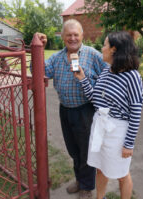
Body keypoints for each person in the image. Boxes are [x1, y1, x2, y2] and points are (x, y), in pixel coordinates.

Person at [36, 19, 108, 199]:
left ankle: (86, 187)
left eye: (76, 34)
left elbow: (109, 73)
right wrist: (39, 50)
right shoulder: (57, 57)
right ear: (62, 37)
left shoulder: (92, 55)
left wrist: (98, 89)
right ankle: (80, 180)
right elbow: (39, 71)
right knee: (73, 150)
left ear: (82, 36)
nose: (73, 38)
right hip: (65, 110)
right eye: (69, 35)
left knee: (86, 151)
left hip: (86, 110)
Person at [73, 31, 143, 199]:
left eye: (104, 44)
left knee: (121, 173)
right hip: (100, 127)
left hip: (118, 132)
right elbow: (96, 100)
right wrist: (83, 78)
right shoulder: (107, 71)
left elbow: (136, 112)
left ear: (113, 49)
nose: (102, 48)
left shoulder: (132, 77)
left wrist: (129, 144)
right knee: (100, 167)